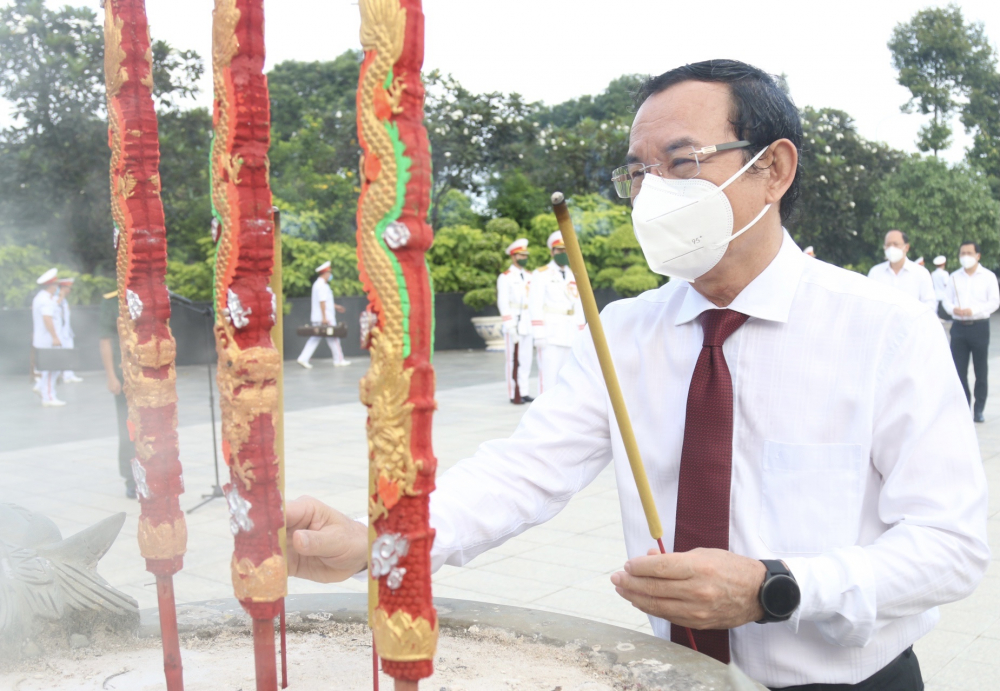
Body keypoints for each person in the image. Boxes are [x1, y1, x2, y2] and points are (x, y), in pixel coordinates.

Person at [283, 60, 988, 690]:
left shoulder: (885, 329)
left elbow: (951, 544)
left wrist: (775, 585)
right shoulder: (623, 331)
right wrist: (379, 540)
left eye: (681, 163)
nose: (653, 192)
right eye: (638, 172)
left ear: (774, 168)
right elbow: (520, 473)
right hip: (676, 676)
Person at [944, 241, 1000, 423]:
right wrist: (954, 310)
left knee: (980, 370)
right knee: (958, 371)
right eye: (962, 253)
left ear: (978, 255)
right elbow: (946, 300)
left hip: (979, 326)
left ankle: (979, 410)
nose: (965, 256)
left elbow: (994, 302)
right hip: (959, 328)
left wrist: (973, 310)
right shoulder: (954, 277)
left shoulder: (988, 277)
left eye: (969, 253)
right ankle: (963, 408)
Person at [528, 231, 585, 393]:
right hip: (550, 334)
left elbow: (579, 305)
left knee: (569, 377)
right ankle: (544, 414)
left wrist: (582, 333)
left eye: (566, 250)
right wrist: (538, 333)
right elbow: (535, 305)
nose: (563, 253)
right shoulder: (541, 274)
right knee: (548, 377)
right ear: (552, 252)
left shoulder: (575, 273)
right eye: (560, 250)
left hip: (571, 333)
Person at [98, 290, 138, 498]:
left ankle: (157, 472)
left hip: (149, 375)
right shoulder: (111, 301)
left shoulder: (151, 294)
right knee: (127, 427)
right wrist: (111, 376)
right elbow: (106, 340)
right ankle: (131, 478)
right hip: (125, 376)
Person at [497, 238, 534, 404]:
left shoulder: (530, 276)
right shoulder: (505, 277)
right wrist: (510, 325)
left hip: (527, 321)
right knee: (512, 360)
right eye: (520, 255)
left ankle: (524, 390)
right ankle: (514, 393)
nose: (523, 258)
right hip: (514, 322)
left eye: (525, 255)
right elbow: (503, 302)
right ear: (513, 257)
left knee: (526, 359)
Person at [297, 260, 350, 369]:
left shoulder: (319, 284)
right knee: (334, 338)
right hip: (326, 317)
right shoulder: (321, 285)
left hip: (320, 317)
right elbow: (322, 302)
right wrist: (324, 317)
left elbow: (326, 301)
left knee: (315, 338)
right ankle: (339, 360)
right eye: (329, 273)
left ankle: (303, 358)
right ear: (325, 273)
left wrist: (336, 306)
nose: (330, 275)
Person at [866, 230, 936, 311]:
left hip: (912, 322)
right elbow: (869, 303)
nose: (891, 248)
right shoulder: (875, 272)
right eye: (888, 245)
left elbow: (930, 304)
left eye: (896, 244)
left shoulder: (921, 273)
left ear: (906, 247)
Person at [32, 268, 66, 407]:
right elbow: (47, 319)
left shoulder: (43, 298)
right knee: (52, 369)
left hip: (45, 340)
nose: (57, 287)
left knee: (50, 368)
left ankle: (42, 388)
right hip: (49, 340)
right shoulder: (45, 300)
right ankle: (49, 397)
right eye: (56, 285)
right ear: (51, 286)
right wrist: (55, 337)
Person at [56, 277, 82, 383]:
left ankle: (69, 374)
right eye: (68, 288)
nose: (70, 290)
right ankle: (62, 375)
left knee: (69, 351)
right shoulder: (56, 298)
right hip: (58, 331)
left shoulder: (64, 300)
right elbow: (53, 309)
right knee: (60, 354)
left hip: (66, 331)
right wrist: (60, 298)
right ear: (63, 287)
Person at [931, 255, 952, 328]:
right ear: (943, 264)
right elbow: (947, 285)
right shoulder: (944, 273)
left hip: (936, 295)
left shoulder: (933, 273)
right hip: (943, 296)